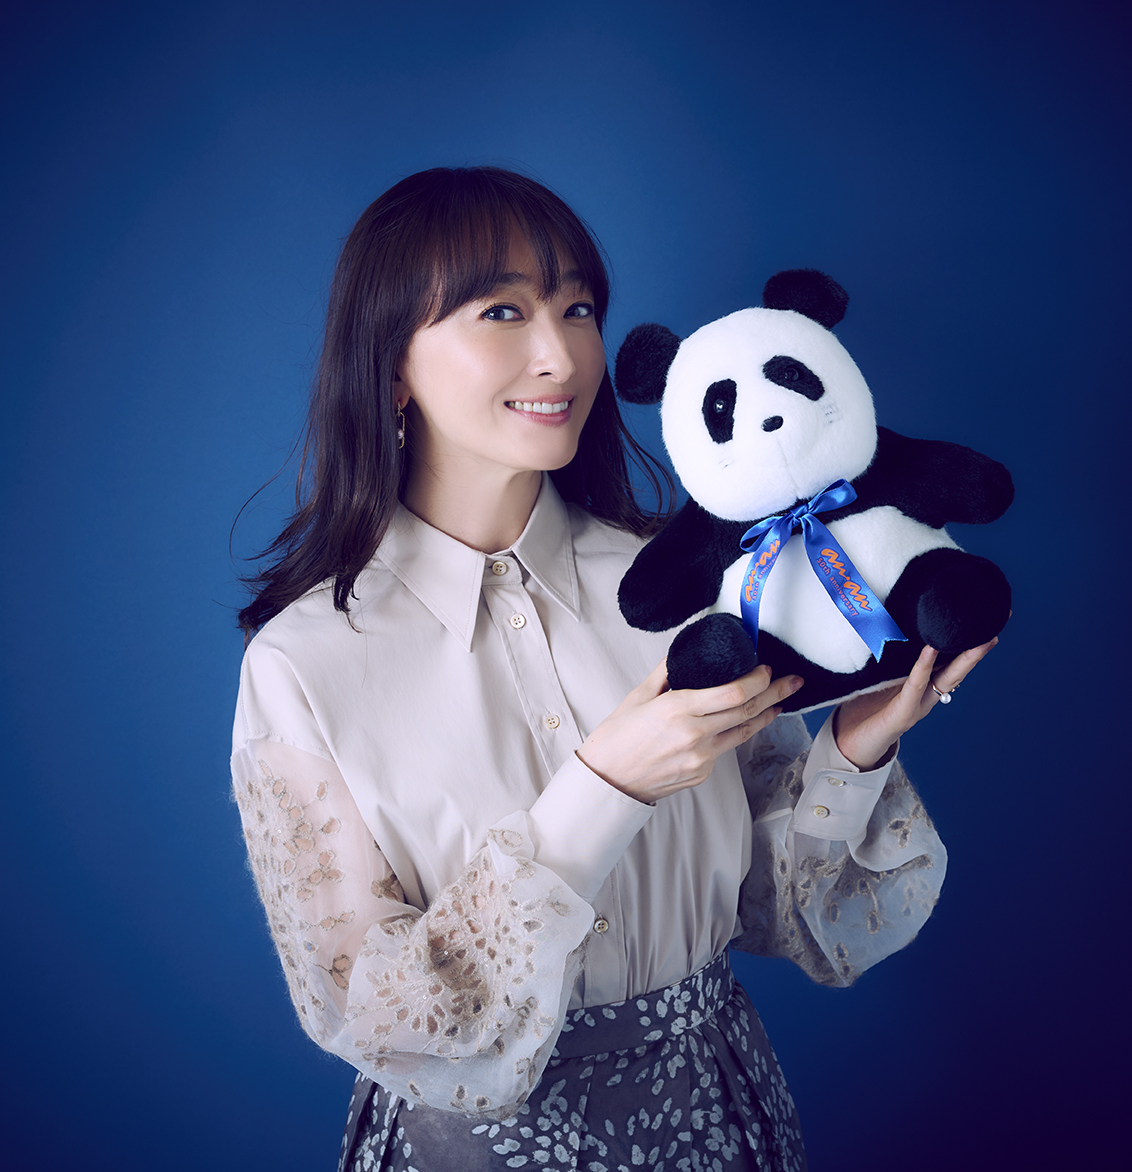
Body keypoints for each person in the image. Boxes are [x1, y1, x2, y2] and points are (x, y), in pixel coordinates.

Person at [231, 166, 995, 1172]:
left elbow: (786, 910)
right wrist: (604, 786)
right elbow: (368, 1010)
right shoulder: (302, 665)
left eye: (578, 308)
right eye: (502, 310)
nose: (561, 355)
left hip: (720, 1120)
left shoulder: (691, 592)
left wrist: (853, 750)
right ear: (391, 364)